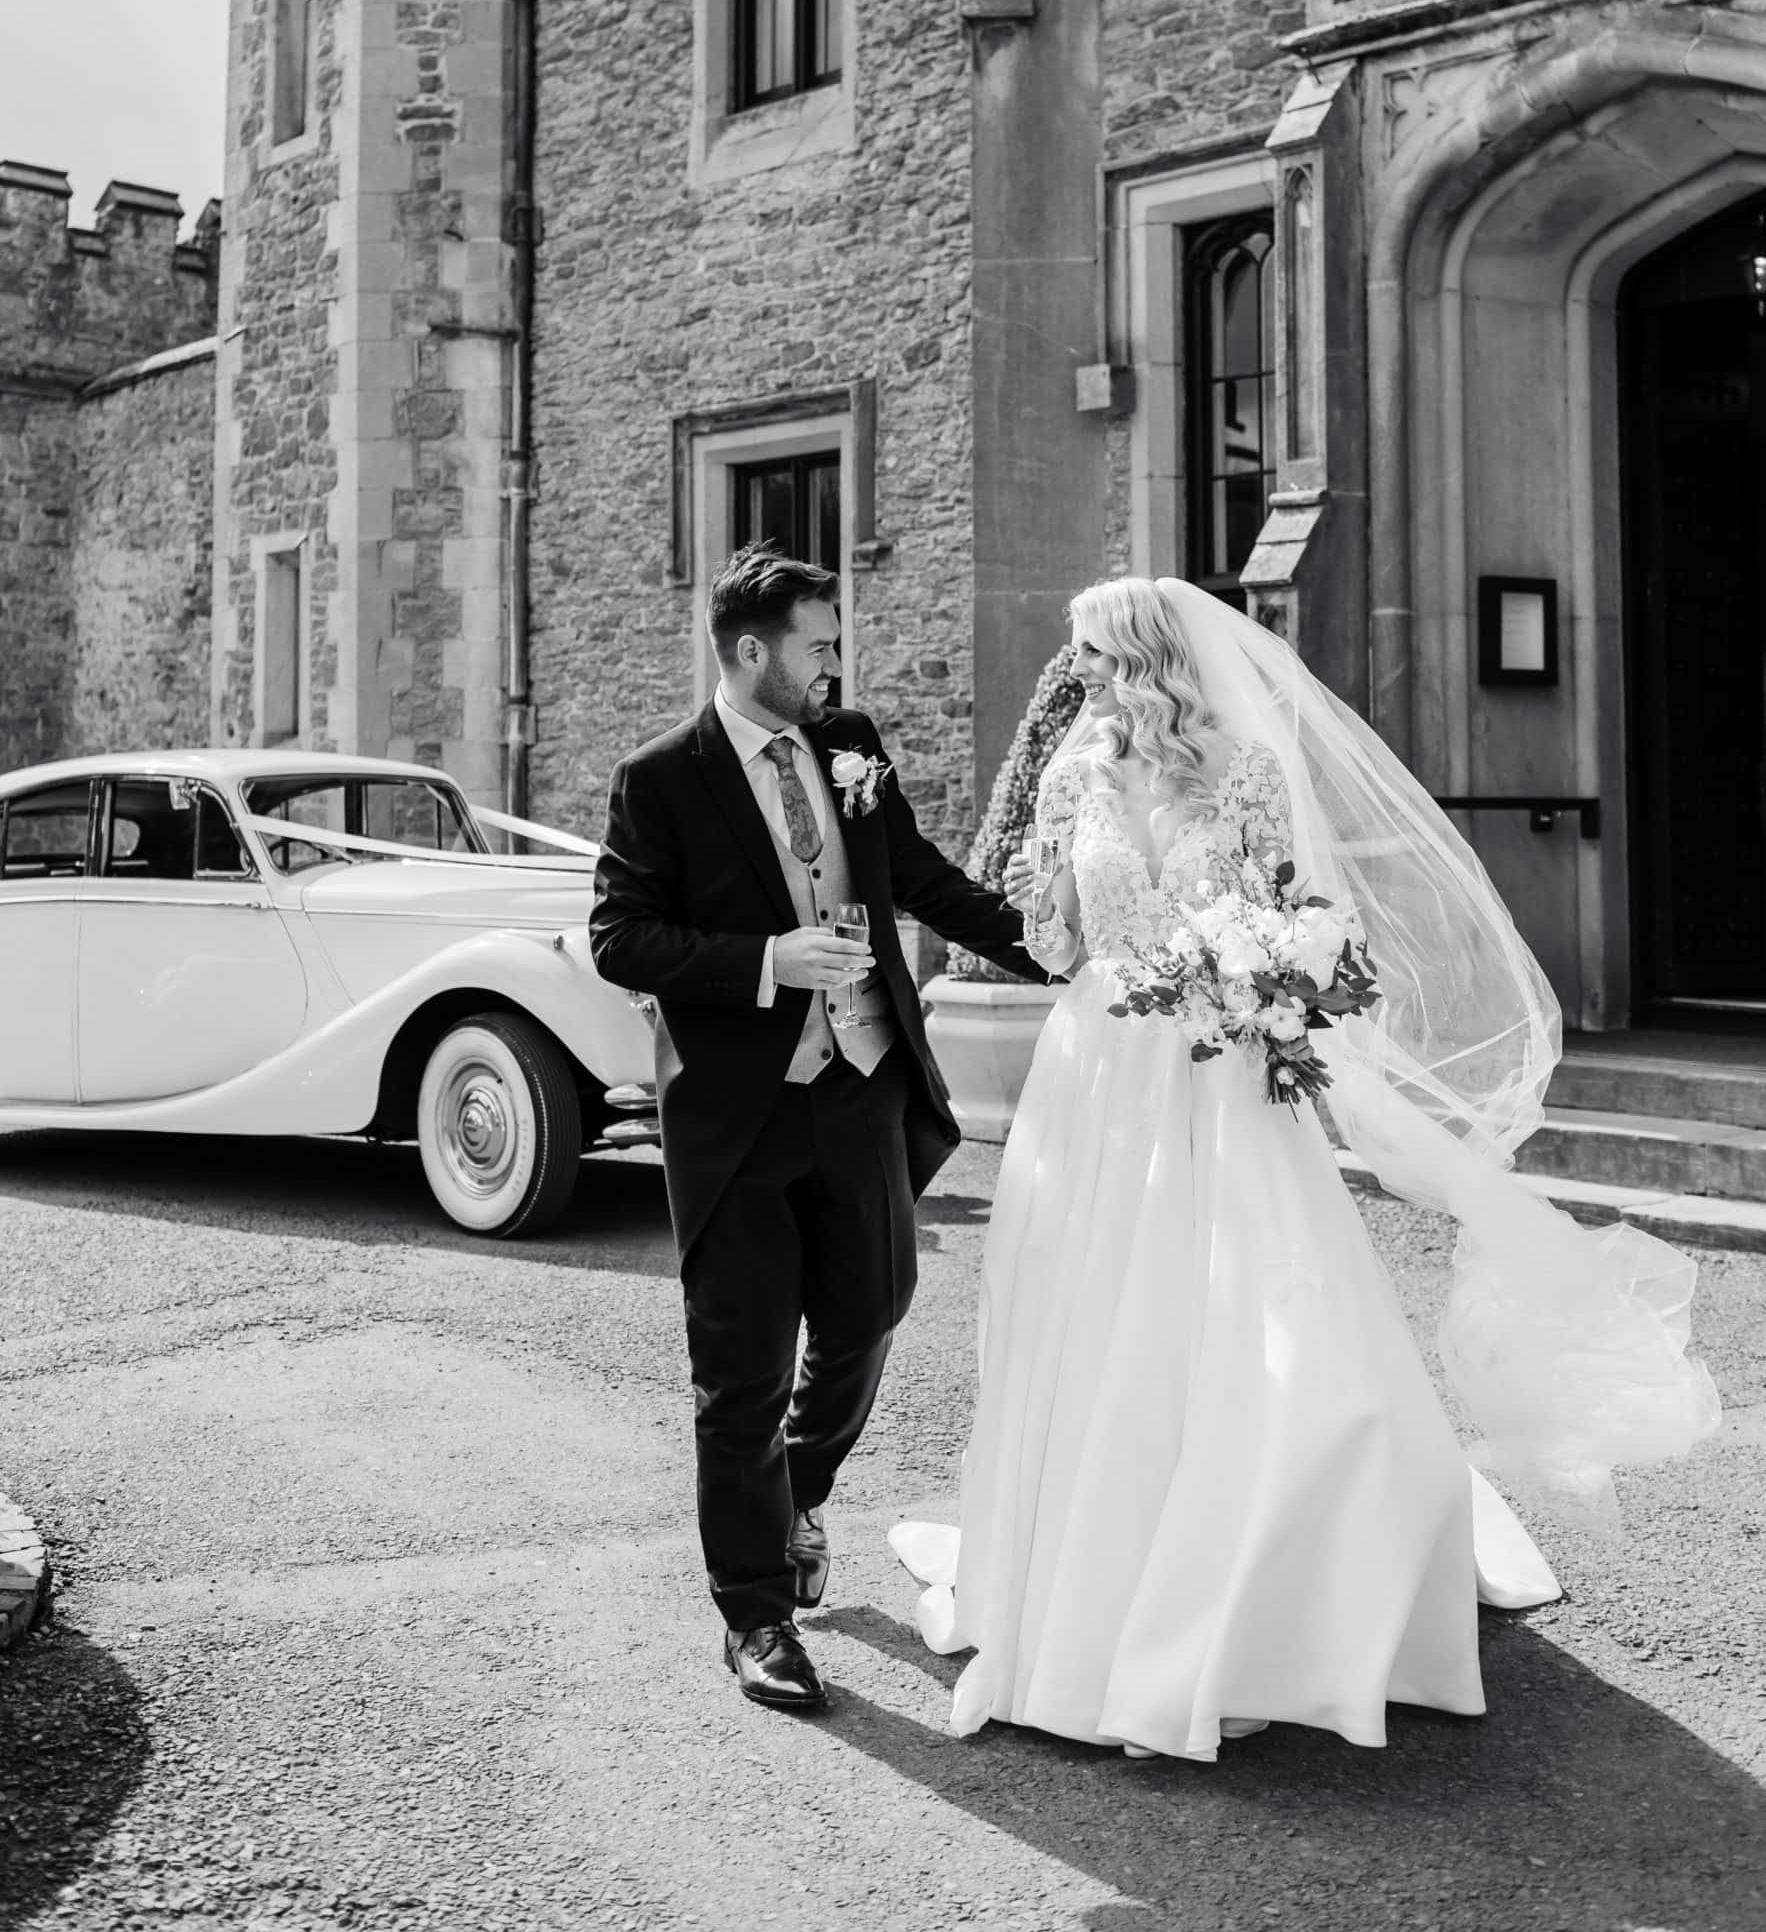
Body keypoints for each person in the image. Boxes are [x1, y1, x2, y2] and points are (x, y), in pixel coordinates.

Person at [892, 576, 1719, 1760]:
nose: (1067, 676)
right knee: (1089, 1313)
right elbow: (1054, 945)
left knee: (1243, 1314)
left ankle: (1260, 1586)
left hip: (1218, 1070)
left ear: (1138, 655)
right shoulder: (1071, 776)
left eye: (1082, 654)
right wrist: (1053, 893)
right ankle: (1089, 1570)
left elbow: (1288, 913)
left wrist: (1260, 977)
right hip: (1096, 1078)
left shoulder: (1241, 769)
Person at [590, 544, 1042, 1714]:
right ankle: (755, 1615)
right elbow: (617, 937)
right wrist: (764, 963)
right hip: (738, 1120)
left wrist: (1051, 947)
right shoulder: (661, 779)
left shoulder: (852, 747)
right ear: (750, 652)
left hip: (861, 1086)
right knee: (735, 1375)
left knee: (869, 1315)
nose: (835, 659)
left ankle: (793, 1493)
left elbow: (920, 875)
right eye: (817, 642)